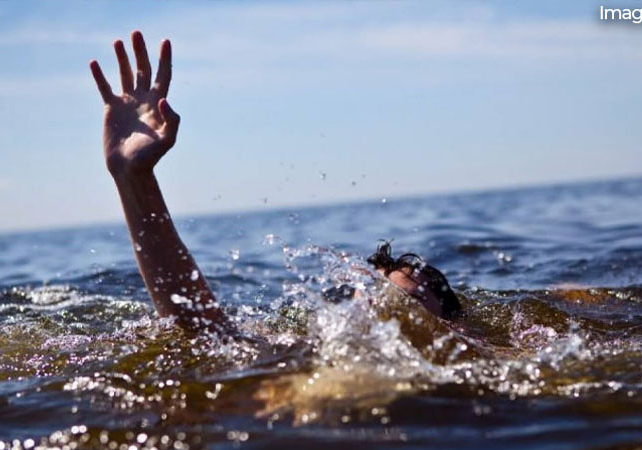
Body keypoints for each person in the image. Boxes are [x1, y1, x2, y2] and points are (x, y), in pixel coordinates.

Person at [89, 31, 460, 331]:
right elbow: (202, 330)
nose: (383, 310)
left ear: (457, 329)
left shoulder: (474, 368)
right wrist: (133, 179)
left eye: (407, 301)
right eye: (374, 299)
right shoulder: (309, 357)